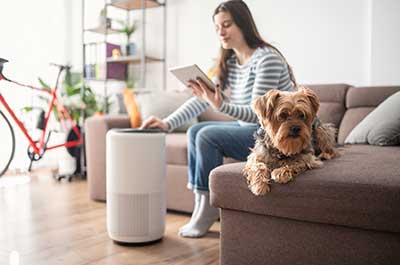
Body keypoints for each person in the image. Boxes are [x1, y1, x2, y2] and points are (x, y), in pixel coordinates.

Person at [140, 0, 297, 238]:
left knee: (206, 135)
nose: (221, 31)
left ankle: (209, 208)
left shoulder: (267, 59)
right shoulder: (231, 63)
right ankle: (202, 206)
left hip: (271, 133)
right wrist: (167, 123)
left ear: (243, 24)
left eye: (227, 24)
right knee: (195, 131)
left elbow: (258, 117)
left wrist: (220, 104)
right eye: (217, 27)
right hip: (250, 129)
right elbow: (202, 99)